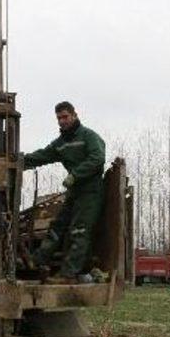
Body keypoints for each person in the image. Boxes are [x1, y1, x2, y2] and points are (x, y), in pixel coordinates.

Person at [24, 101, 105, 283]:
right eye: (59, 118)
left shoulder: (88, 136)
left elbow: (98, 158)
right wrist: (18, 161)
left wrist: (75, 175)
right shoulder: (61, 144)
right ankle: (36, 261)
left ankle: (68, 274)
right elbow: (42, 156)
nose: (62, 121)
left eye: (65, 117)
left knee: (79, 231)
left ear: (74, 115)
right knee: (57, 226)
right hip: (74, 192)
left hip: (90, 192)